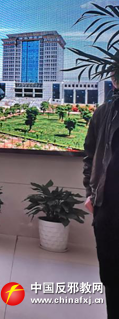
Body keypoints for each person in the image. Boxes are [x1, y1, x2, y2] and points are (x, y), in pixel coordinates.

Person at [83, 71, 119, 319]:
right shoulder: (103, 113)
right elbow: (90, 156)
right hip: (108, 208)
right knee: (111, 276)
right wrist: (91, 193)